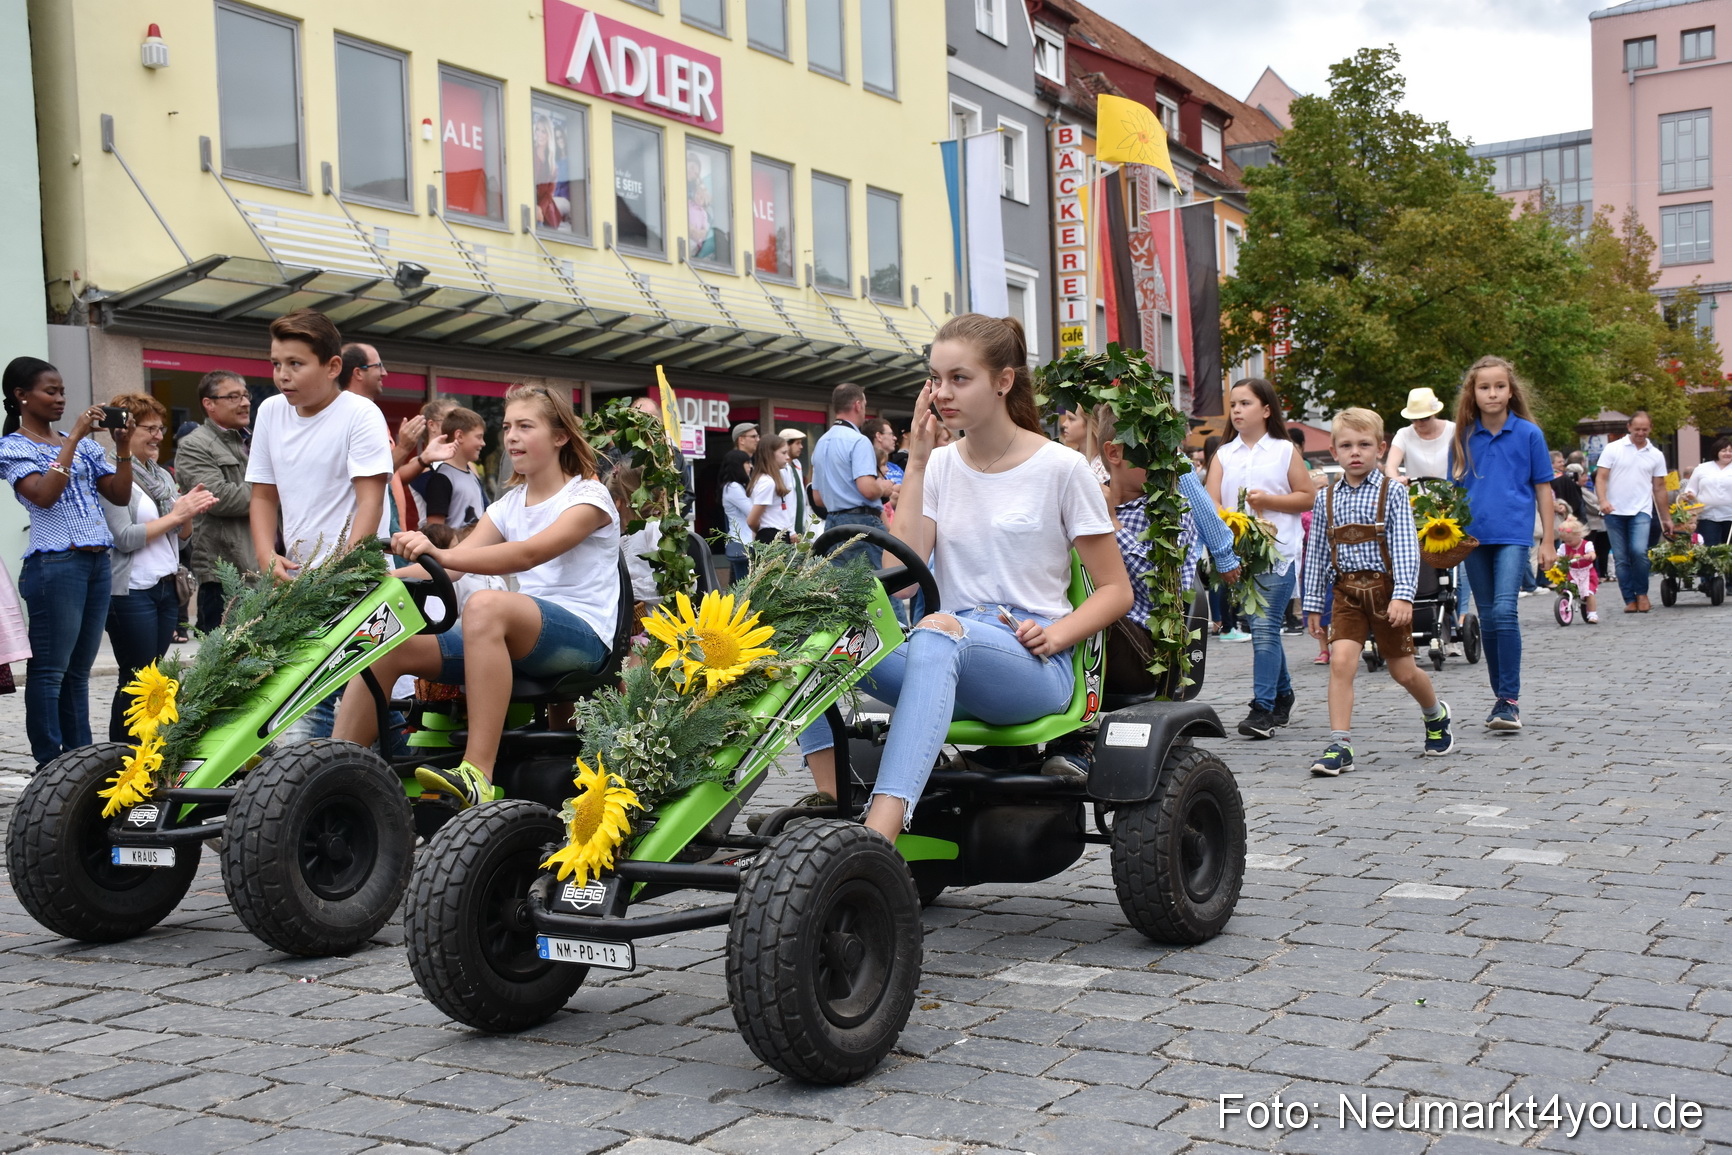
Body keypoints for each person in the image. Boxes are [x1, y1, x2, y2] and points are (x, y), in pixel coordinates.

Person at [792, 315, 1132, 840]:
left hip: (1031, 662)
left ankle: (879, 836)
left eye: (959, 378)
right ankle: (832, 800)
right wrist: (918, 462)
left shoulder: (1061, 468)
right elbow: (901, 579)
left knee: (937, 631)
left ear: (1003, 381)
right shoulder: (939, 466)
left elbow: (1116, 590)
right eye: (935, 379)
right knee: (810, 634)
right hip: (944, 651)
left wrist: (1057, 634)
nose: (942, 393)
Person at [333, 384, 620, 809]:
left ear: (560, 436)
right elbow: (449, 569)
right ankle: (333, 777)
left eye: (526, 426)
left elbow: (527, 553)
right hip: (520, 634)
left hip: (583, 638)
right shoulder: (508, 505)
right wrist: (371, 582)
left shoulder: (589, 497)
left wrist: (441, 553)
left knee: (484, 605)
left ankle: (477, 774)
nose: (512, 437)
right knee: (384, 642)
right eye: (508, 427)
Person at [248, 310, 393, 742]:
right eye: (276, 363)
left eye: (295, 363)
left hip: (357, 582)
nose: (282, 375)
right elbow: (263, 495)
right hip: (298, 582)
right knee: (304, 699)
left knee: (355, 694)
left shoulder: (361, 413)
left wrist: (344, 571)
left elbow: (371, 500)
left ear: (332, 367)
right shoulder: (270, 412)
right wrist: (266, 555)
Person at [0, 357, 138, 766]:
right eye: (51, 391)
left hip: (96, 563)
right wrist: (74, 437)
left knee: (79, 671)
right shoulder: (13, 447)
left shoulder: (88, 447)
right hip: (54, 564)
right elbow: (44, 495)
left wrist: (123, 447)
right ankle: (49, 762)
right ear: (21, 396)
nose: (61, 398)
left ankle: (80, 761)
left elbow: (120, 495)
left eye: (62, 391)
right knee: (50, 671)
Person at [1302, 408, 1453, 776]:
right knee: (1341, 663)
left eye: (1364, 444)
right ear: (1334, 452)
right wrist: (1312, 605)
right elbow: (1317, 553)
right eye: (1346, 446)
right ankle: (1340, 744)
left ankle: (1436, 714)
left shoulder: (1393, 493)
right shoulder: (1325, 499)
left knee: (1403, 671)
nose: (1355, 452)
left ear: (1380, 449)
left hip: (1386, 592)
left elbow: (1405, 549)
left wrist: (1404, 595)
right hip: (1347, 594)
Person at [99, 392, 218, 742]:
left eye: (161, 428)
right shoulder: (110, 473)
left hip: (166, 588)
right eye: (149, 428)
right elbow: (124, 537)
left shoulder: (161, 475)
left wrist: (188, 513)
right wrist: (177, 515)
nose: (158, 436)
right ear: (124, 431)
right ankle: (122, 753)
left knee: (156, 676)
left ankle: (151, 749)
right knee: (136, 676)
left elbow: (179, 541)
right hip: (131, 590)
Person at [1098, 404, 1238, 697]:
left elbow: (1160, 589)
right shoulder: (1090, 499)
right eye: (1156, 452)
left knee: (1095, 615)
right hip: (1092, 642)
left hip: (1147, 651)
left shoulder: (1172, 512)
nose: (1169, 463)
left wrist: (1112, 524)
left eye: (1170, 451)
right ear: (1114, 453)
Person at [1206, 378, 1317, 738]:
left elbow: (1307, 496)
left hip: (1279, 552)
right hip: (1238, 556)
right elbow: (1211, 502)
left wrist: (1268, 501)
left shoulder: (1284, 451)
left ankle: (1263, 708)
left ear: (1266, 410)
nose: (1237, 410)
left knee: (1265, 626)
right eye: (1233, 405)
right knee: (1261, 627)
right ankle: (1283, 695)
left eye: (1245, 403)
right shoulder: (1223, 454)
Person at [1449, 355, 1555, 731]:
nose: (1492, 393)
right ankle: (1501, 700)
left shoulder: (1529, 433)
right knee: (1489, 617)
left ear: (1511, 391)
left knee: (1506, 611)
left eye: (1499, 386)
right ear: (1473, 393)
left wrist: (1548, 540)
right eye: (1484, 387)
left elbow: (1543, 489)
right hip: (1473, 540)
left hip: (1513, 535)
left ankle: (1509, 699)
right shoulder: (1462, 437)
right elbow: (1454, 494)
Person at [175, 370, 254, 632]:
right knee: (227, 654)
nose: (245, 403)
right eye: (233, 397)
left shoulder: (253, 439)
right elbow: (220, 498)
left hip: (267, 569)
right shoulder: (194, 445)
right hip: (227, 575)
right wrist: (273, 490)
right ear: (209, 404)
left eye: (245, 395)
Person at [809, 383, 895, 568]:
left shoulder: (821, 443)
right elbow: (868, 489)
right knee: (879, 581)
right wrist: (883, 487)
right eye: (864, 405)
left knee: (842, 584)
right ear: (858, 405)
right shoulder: (859, 441)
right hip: (862, 522)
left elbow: (818, 498)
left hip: (832, 525)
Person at [1594, 410, 1672, 613]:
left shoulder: (1655, 454)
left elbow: (1659, 487)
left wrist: (1666, 518)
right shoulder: (1613, 448)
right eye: (1637, 429)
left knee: (1639, 551)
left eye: (1645, 429)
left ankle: (1642, 593)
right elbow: (1601, 477)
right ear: (1629, 427)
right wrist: (1602, 500)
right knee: (1621, 558)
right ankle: (1629, 598)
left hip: (1641, 509)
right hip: (1614, 510)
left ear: (1650, 429)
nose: (1640, 433)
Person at [421, 407, 488, 530]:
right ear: (459, 436)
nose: (483, 443)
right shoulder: (441, 479)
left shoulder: (472, 476)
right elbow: (435, 531)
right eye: (479, 437)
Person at [1385, 387, 1456, 483]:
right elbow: (1390, 467)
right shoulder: (1404, 434)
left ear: (1435, 414)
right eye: (1414, 419)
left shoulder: (1453, 430)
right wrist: (1396, 480)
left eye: (1424, 418)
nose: (1419, 422)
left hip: (1449, 490)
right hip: (1414, 491)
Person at [1682, 437, 1732, 549]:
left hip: (1730, 516)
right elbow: (1691, 488)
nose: (1728, 453)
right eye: (1724, 450)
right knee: (1710, 549)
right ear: (1716, 451)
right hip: (1707, 515)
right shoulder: (1702, 468)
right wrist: (1689, 494)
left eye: (1730, 451)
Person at [746, 434, 796, 545]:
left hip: (779, 533)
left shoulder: (774, 478)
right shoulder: (767, 482)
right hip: (771, 535)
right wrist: (762, 532)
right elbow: (751, 520)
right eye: (783, 453)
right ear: (770, 454)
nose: (787, 457)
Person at [719, 451, 753, 583]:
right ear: (738, 465)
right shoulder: (733, 487)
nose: (750, 466)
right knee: (744, 584)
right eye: (747, 463)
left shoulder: (738, 486)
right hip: (742, 541)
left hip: (744, 541)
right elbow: (751, 511)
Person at [1558, 516, 1599, 623]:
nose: (1568, 543)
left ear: (1579, 535)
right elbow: (1558, 556)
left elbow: (1593, 554)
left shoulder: (1586, 545)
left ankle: (1592, 614)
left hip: (1587, 573)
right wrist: (1558, 560)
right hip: (1572, 572)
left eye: (1570, 541)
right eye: (1565, 541)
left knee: (1588, 592)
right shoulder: (1564, 547)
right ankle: (1564, 603)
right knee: (1566, 588)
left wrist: (1589, 556)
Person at [778, 427, 810, 535]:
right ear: (786, 445)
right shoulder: (780, 469)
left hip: (800, 527)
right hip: (787, 530)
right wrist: (790, 530)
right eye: (797, 443)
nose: (801, 446)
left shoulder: (797, 464)